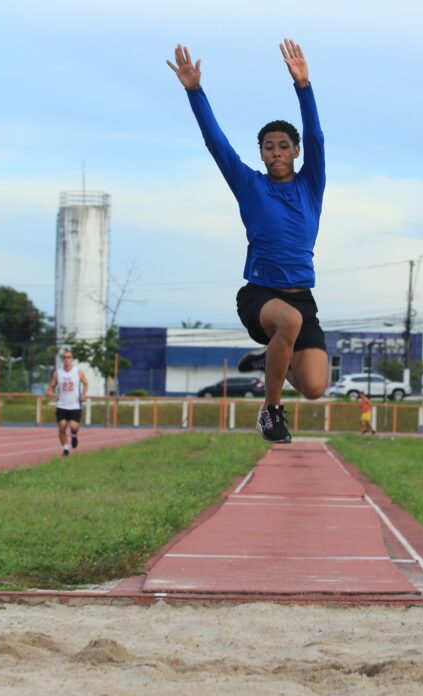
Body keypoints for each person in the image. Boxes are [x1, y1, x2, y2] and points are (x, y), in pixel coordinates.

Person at [167, 40, 328, 444]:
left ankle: (271, 356)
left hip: (302, 298)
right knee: (287, 322)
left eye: (284, 147)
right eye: (268, 147)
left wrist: (304, 87)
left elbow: (316, 135)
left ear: (296, 152)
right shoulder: (249, 185)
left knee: (314, 387)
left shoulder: (311, 185)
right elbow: (216, 143)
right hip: (260, 296)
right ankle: (270, 413)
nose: (276, 153)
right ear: (261, 153)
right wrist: (194, 91)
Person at [47, 350, 89, 456]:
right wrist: (51, 392)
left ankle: (74, 436)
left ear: (72, 359)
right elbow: (51, 387)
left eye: (69, 357)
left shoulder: (78, 372)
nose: (66, 359)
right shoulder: (58, 373)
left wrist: (83, 395)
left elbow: (86, 384)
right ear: (62, 359)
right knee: (62, 426)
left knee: (74, 427)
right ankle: (65, 449)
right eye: (64, 357)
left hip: (75, 405)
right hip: (62, 405)